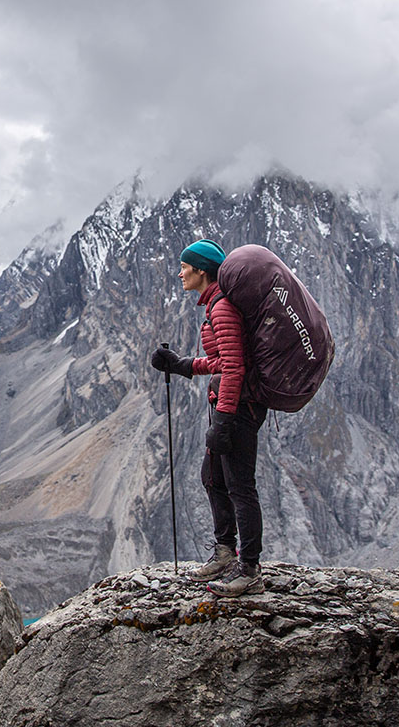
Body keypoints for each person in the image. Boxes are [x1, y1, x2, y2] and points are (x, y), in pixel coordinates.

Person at [151, 238, 268, 597]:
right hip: (231, 404)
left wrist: (225, 420)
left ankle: (248, 570)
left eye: (185, 266)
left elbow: (234, 367)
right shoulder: (216, 304)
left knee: (239, 486)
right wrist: (183, 365)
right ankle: (224, 554)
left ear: (201, 270)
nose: (180, 272)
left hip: (238, 408)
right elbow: (222, 361)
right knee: (214, 477)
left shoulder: (222, 308)